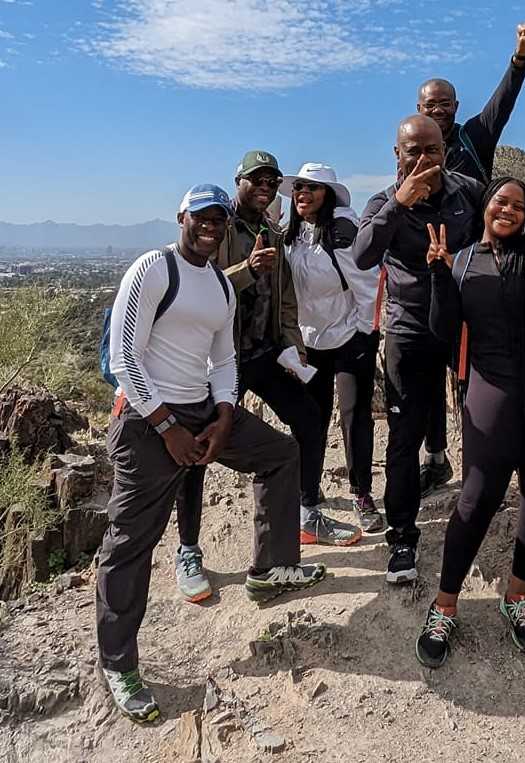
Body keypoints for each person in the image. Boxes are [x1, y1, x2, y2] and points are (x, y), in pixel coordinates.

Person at [97, 184, 327, 722]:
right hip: (147, 420)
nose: (210, 225)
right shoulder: (155, 269)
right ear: (182, 216)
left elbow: (223, 360)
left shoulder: (220, 288)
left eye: (218, 218)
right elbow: (125, 356)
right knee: (131, 542)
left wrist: (225, 416)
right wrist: (167, 426)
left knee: (280, 453)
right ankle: (118, 664)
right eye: (201, 216)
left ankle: (271, 568)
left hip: (202, 409)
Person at [173, 152, 361, 604]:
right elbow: (200, 283)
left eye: (272, 179)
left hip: (264, 353)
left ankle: (307, 510)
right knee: (201, 447)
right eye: (256, 178)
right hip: (222, 361)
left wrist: (291, 342)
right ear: (238, 181)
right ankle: (188, 549)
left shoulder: (273, 233)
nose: (266, 185)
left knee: (311, 418)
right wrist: (246, 270)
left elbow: (288, 297)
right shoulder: (216, 226)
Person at [414, 177, 525, 668]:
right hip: (491, 393)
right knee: (476, 498)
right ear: (486, 208)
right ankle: (444, 604)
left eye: (518, 204)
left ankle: (517, 595)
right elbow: (442, 331)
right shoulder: (463, 261)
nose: (507, 210)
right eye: (499, 202)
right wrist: (439, 276)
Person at [354, 115, 483, 584]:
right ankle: (403, 537)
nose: (425, 159)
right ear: (397, 155)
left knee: (479, 422)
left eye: (433, 150)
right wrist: (398, 203)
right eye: (414, 151)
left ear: (445, 150)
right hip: (408, 331)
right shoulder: (381, 201)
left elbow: (501, 234)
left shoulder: (467, 192)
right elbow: (363, 255)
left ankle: (475, 520)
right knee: (404, 437)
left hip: (462, 325)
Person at [415, 22, 525, 496]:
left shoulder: (474, 138)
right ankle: (437, 455)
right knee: (433, 362)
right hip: (429, 271)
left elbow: (502, 105)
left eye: (445, 104)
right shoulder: (415, 150)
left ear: (455, 108)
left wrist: (519, 59)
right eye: (431, 105)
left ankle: (486, 458)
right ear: (419, 110)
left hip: (475, 270)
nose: (439, 111)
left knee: (471, 365)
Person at [279, 163, 384, 533]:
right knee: (312, 419)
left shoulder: (341, 233)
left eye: (312, 188)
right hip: (309, 342)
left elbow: (368, 286)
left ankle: (362, 493)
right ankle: (307, 494)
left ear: (328, 195)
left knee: (355, 415)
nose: (302, 194)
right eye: (298, 188)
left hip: (349, 337)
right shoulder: (292, 237)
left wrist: (362, 334)